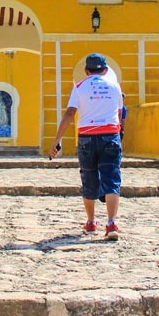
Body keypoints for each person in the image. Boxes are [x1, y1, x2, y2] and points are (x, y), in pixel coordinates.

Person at [50, 53, 124, 240]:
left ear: (86, 70)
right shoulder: (114, 86)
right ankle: (111, 223)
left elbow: (69, 114)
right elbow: (119, 113)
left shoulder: (79, 87)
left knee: (88, 176)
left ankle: (91, 222)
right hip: (110, 135)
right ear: (105, 70)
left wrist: (57, 140)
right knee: (112, 177)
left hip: (87, 137)